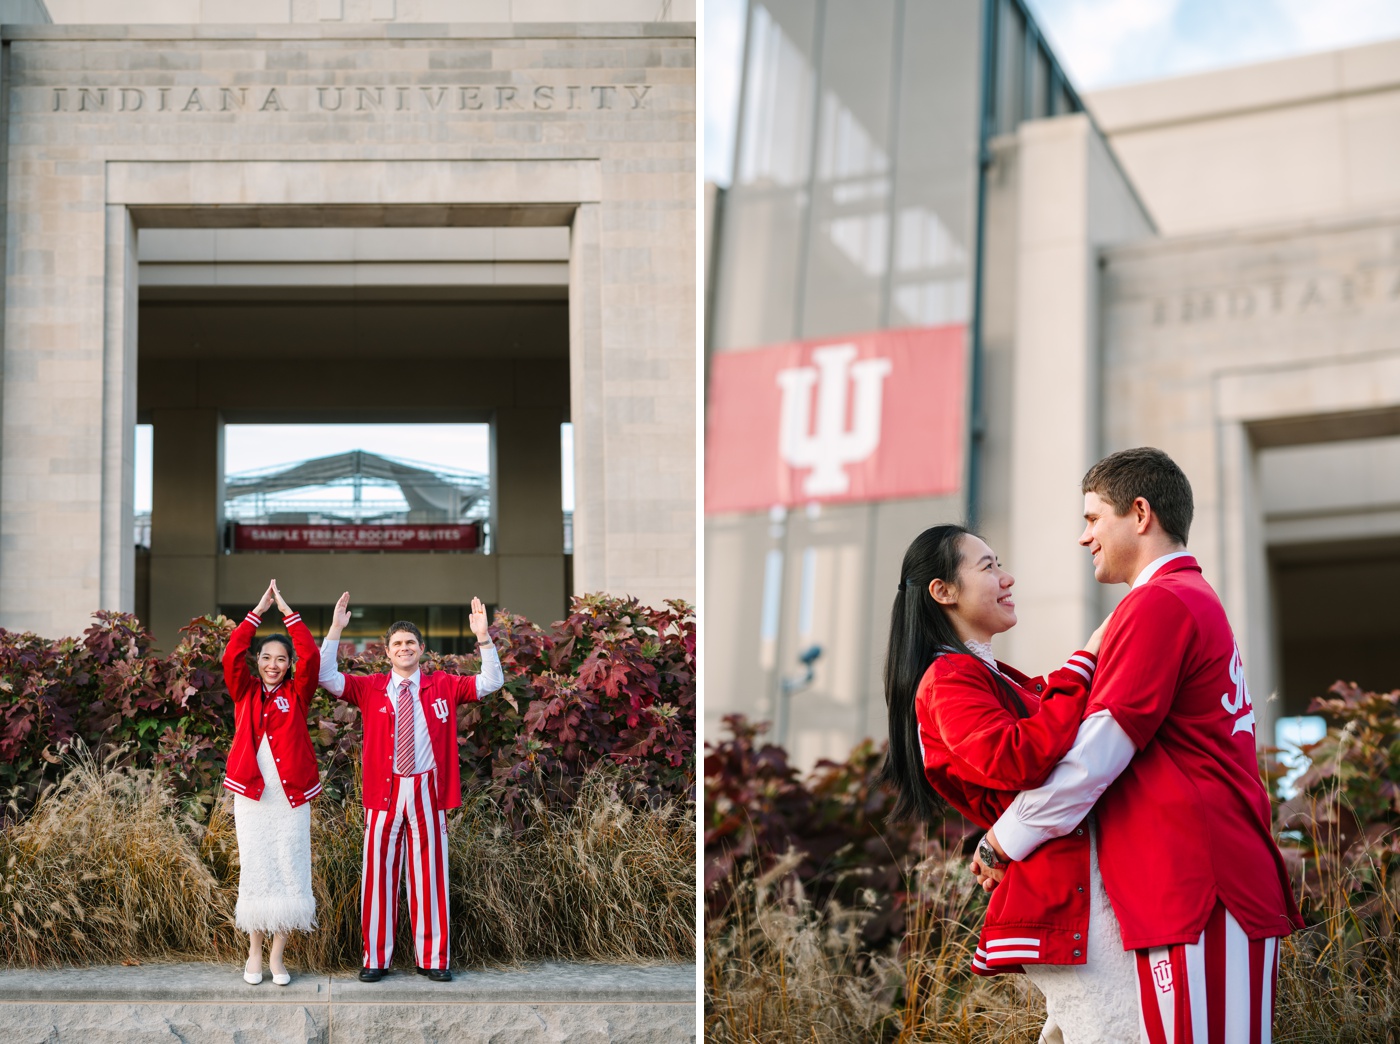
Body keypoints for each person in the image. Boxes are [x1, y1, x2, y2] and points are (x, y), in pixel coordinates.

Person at [977, 447, 1304, 1042]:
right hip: (1200, 887)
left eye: (1093, 518)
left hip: (1200, 888)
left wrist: (1007, 837)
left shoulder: (1160, 603)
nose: (1084, 537)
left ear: (1141, 512)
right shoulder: (1185, 599)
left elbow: (1098, 753)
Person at [878, 524, 1139, 1044]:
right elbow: (1018, 756)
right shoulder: (948, 678)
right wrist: (1085, 660)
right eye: (989, 566)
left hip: (1072, 890)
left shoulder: (985, 673)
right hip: (1070, 898)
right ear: (943, 591)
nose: (1007, 577)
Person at [319, 592, 506, 982]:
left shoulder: (443, 686)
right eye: (396, 644)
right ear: (387, 653)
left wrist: (483, 637)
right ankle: (376, 958)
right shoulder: (370, 687)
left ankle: (433, 959)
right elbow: (326, 678)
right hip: (383, 791)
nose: (404, 648)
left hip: (427, 791)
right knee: (378, 876)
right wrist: (335, 630)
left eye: (410, 643)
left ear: (421, 649)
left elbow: (491, 681)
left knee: (430, 877)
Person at [221, 579, 321, 986]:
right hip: (254, 797)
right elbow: (230, 654)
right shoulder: (244, 692)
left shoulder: (298, 693)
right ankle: (254, 954)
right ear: (257, 660)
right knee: (257, 870)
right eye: (266, 657)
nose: (274, 664)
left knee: (290, 870)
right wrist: (256, 612)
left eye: (281, 658)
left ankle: (278, 957)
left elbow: (311, 655)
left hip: (291, 798)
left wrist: (286, 610)